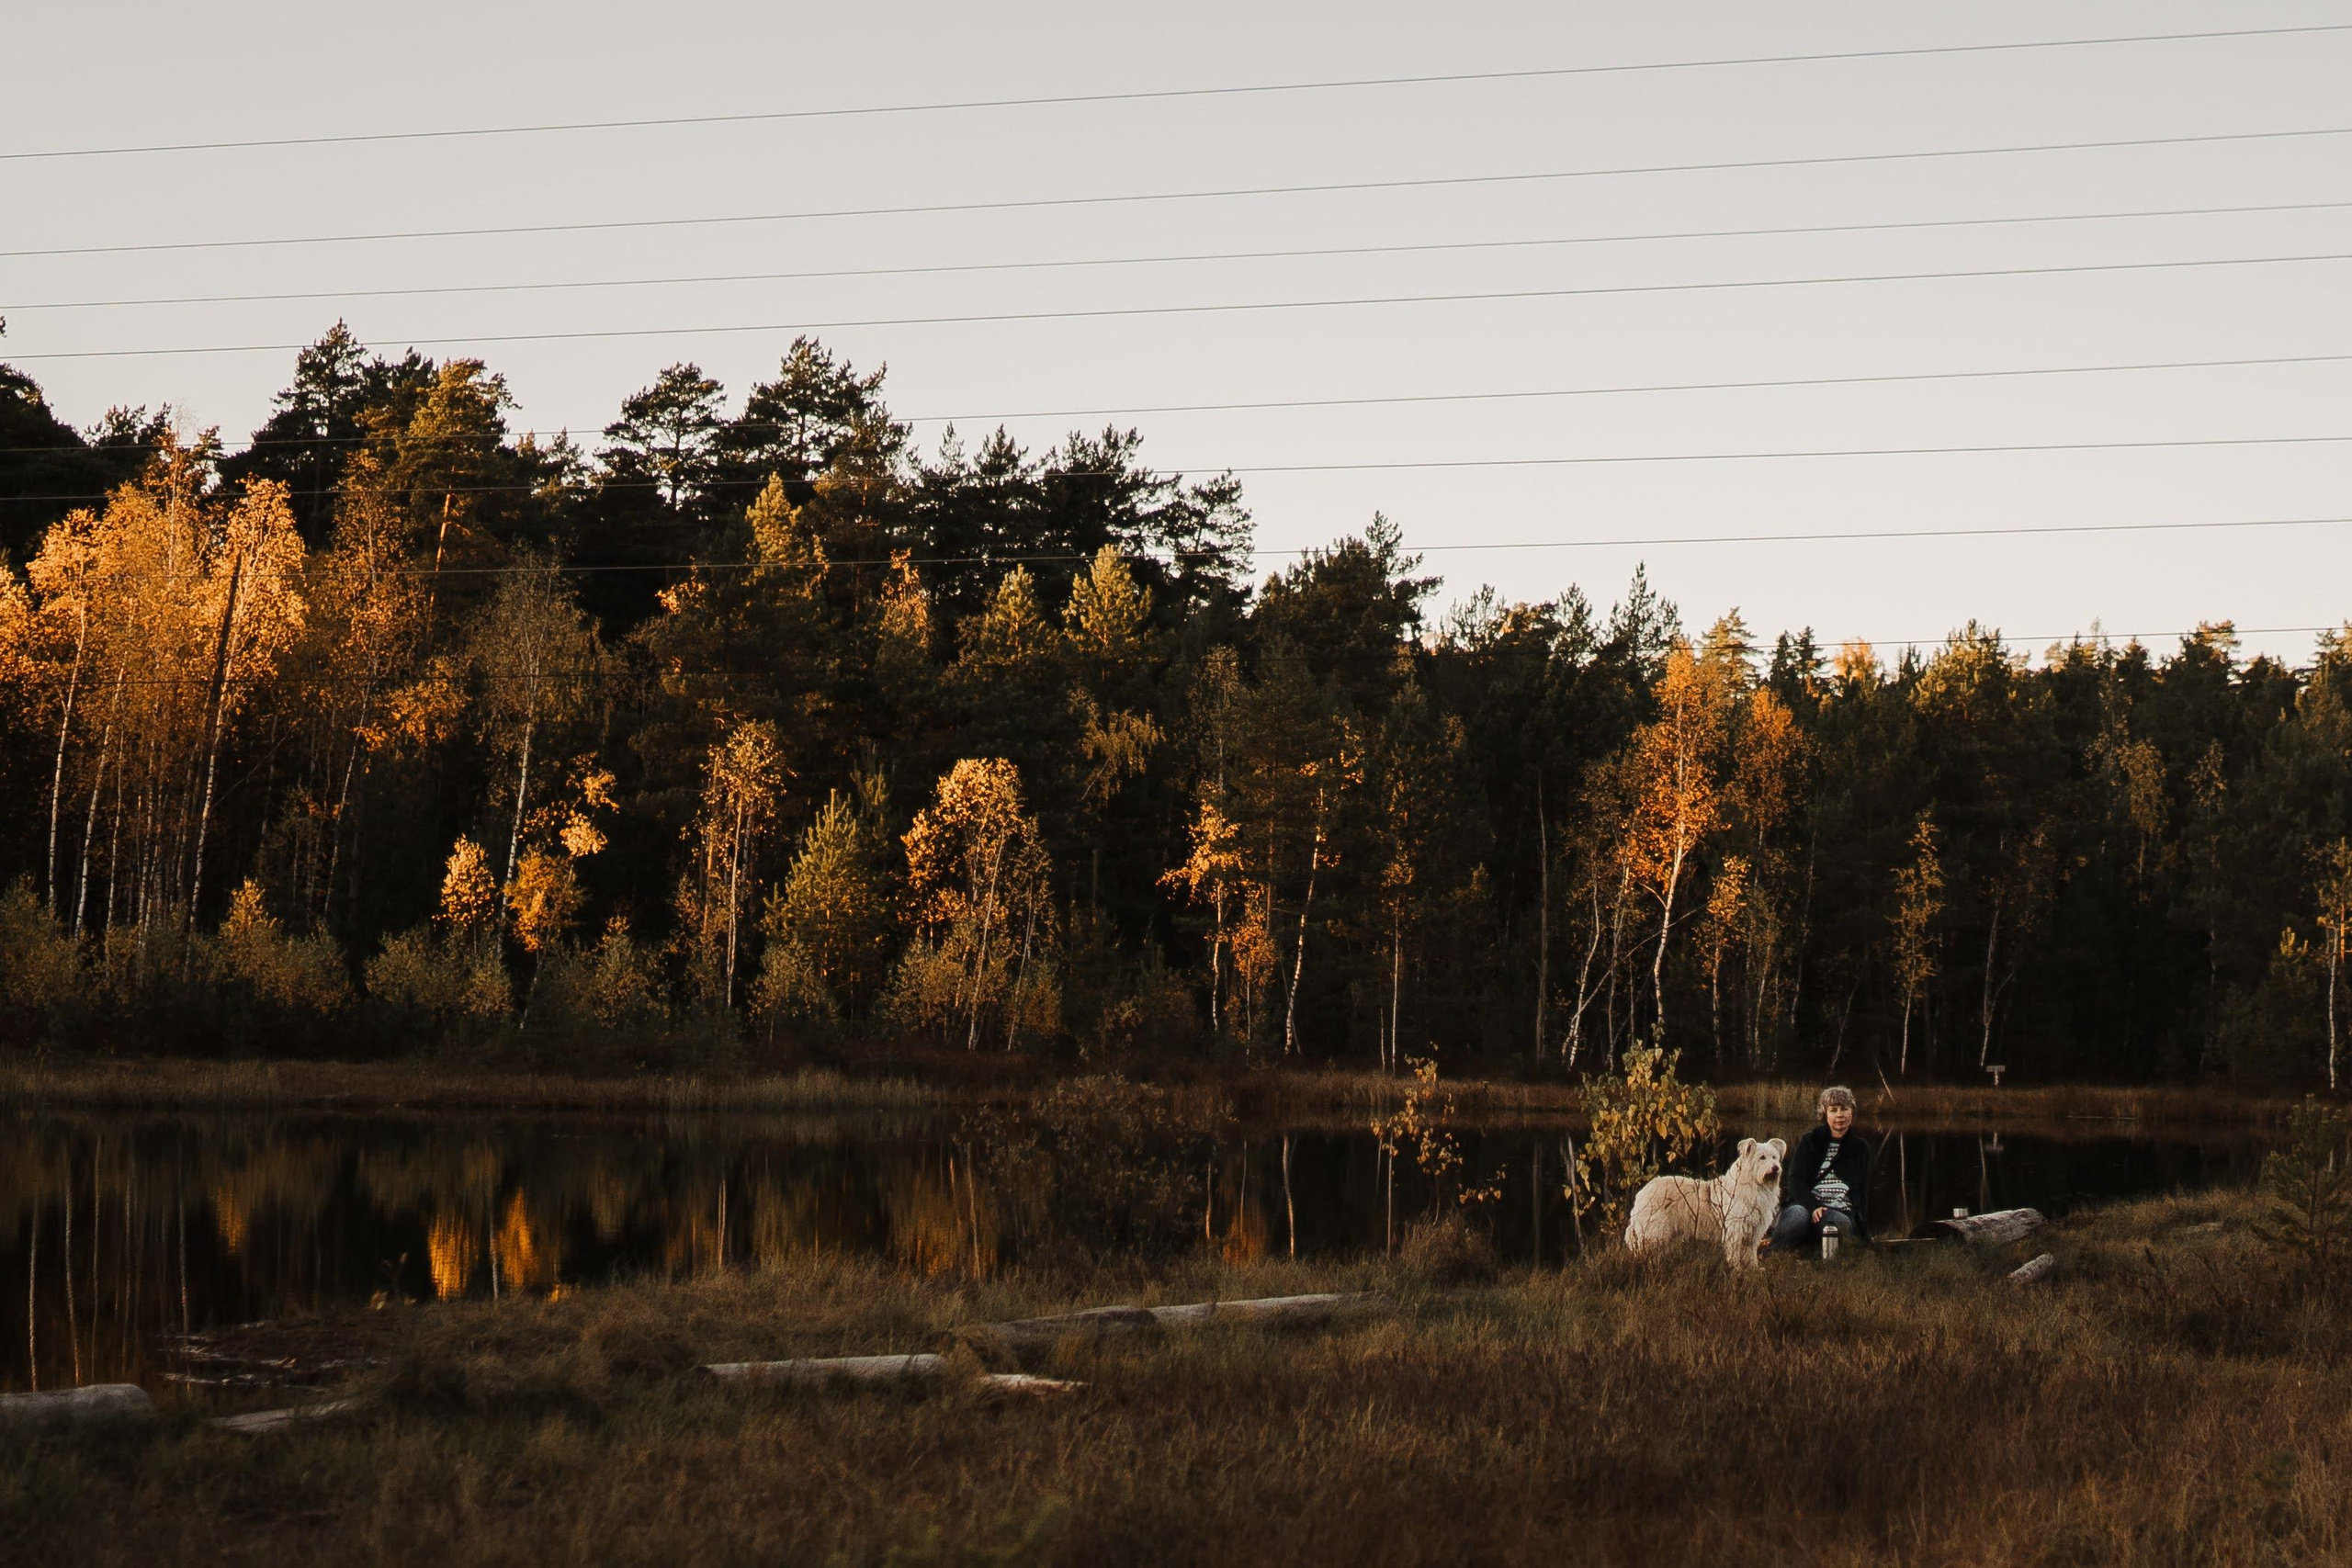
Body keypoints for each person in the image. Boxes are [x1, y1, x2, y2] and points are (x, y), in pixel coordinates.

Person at [1769, 1085, 1871, 1252]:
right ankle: (1772, 1256)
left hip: (1839, 1210)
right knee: (1796, 1218)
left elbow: (1863, 1192)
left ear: (1852, 1112)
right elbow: (1795, 1181)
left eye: (1844, 1109)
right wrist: (1813, 1206)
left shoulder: (1861, 1148)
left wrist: (1865, 1232)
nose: (1839, 1115)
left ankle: (1827, 1264)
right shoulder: (1810, 1141)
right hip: (1804, 1205)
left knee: (1839, 1225)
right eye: (1833, 1110)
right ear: (1825, 1114)